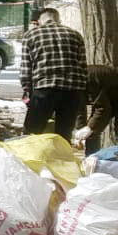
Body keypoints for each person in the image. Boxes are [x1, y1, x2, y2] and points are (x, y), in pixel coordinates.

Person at [21, 8, 88, 141]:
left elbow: (26, 68)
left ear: (40, 21)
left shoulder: (31, 35)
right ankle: (61, 159)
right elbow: (82, 67)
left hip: (44, 89)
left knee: (32, 131)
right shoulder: (75, 35)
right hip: (72, 91)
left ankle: (29, 158)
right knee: (64, 135)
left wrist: (27, 89)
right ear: (58, 20)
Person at [81, 64, 118, 154]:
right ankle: (92, 161)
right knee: (91, 133)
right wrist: (81, 134)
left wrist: (89, 127)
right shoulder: (73, 89)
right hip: (107, 97)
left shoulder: (89, 79)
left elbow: (102, 109)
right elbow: (80, 110)